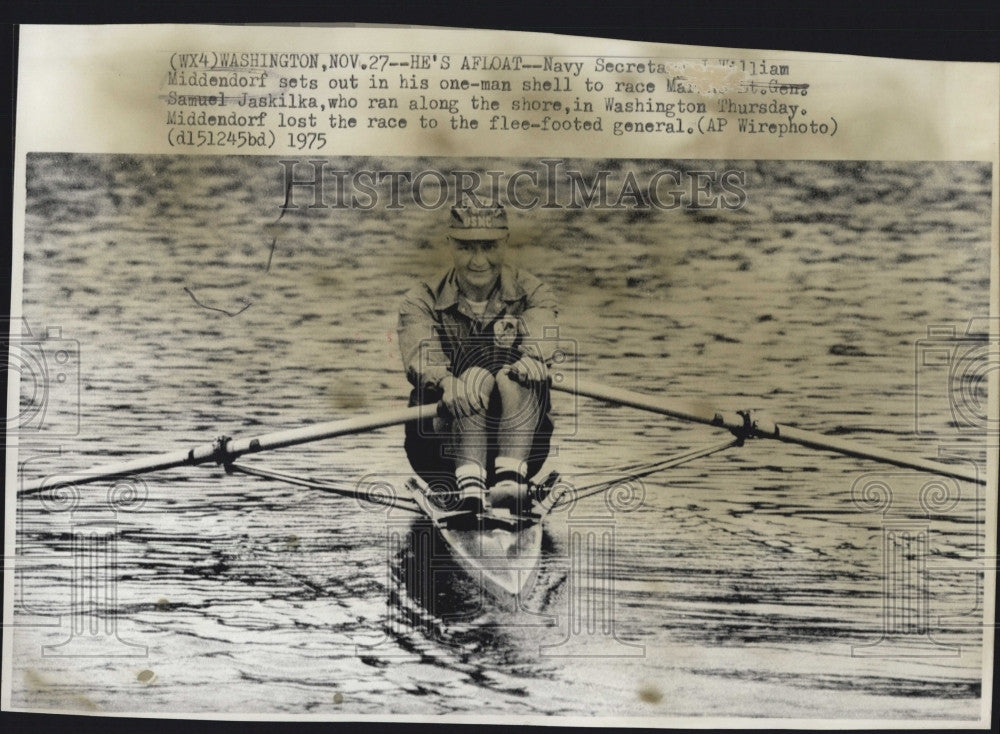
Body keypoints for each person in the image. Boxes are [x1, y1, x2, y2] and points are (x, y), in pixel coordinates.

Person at [397, 201, 558, 516]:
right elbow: (421, 355)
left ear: (505, 243)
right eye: (466, 248)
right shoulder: (420, 299)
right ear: (450, 245)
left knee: (510, 377)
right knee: (472, 379)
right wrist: (446, 382)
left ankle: (509, 480)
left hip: (521, 440)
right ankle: (470, 485)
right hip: (439, 447)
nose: (478, 260)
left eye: (489, 247)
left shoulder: (533, 292)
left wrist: (533, 359)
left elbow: (542, 332)